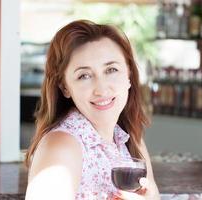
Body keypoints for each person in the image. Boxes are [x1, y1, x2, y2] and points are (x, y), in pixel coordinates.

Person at [24, 20, 160, 200]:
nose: (102, 89)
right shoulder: (61, 146)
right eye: (84, 76)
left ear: (129, 75)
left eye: (111, 69)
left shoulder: (131, 140)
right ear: (65, 87)